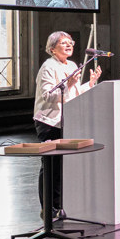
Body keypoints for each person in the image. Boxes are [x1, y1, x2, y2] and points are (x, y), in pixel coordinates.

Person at [32, 30, 102, 218]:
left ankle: (59, 205)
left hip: (66, 121)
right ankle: (47, 208)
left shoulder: (71, 65)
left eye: (70, 42)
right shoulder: (48, 67)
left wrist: (91, 83)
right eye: (63, 43)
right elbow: (47, 96)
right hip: (49, 121)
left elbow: (72, 93)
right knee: (50, 165)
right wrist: (70, 84)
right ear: (52, 48)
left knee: (61, 166)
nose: (69, 44)